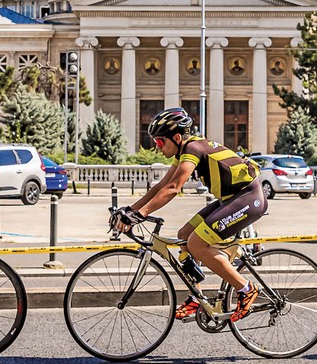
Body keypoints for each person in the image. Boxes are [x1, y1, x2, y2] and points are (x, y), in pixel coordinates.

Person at [112, 108, 267, 322]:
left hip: (248, 198)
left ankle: (246, 288)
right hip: (232, 199)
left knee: (197, 244)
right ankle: (196, 297)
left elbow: (174, 188)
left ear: (176, 138)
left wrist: (140, 214)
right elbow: (161, 187)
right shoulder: (184, 151)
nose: (157, 148)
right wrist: (131, 210)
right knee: (184, 234)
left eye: (159, 142)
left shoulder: (193, 149)